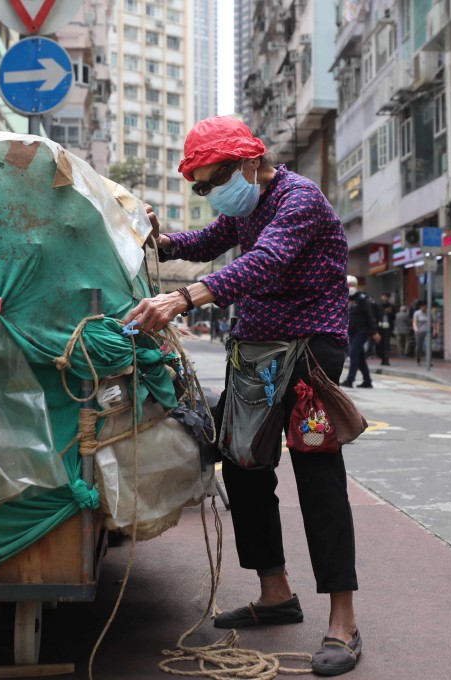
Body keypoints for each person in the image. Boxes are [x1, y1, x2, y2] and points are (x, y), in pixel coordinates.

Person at [124, 116, 361, 676]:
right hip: (254, 354)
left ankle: (343, 622)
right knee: (244, 466)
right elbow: (206, 241)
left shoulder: (298, 199)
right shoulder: (247, 207)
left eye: (215, 180)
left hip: (308, 356)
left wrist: (184, 298)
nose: (211, 194)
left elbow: (266, 260)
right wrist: (155, 239)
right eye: (201, 187)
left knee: (317, 479)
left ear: (251, 161)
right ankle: (275, 593)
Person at [341, 276, 379, 388]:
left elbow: (370, 316)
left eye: (352, 285)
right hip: (351, 331)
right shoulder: (345, 298)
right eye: (348, 285)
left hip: (362, 331)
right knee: (360, 356)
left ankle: (350, 380)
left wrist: (374, 331)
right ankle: (367, 381)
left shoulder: (362, 299)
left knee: (352, 353)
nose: (350, 287)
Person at [376, 293, 396, 365]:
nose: (385, 298)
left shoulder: (391, 307)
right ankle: (382, 358)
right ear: (381, 297)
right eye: (384, 296)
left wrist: (390, 313)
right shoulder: (378, 306)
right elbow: (375, 315)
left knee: (386, 344)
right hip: (380, 327)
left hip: (388, 327)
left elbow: (394, 317)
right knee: (380, 344)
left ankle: (386, 360)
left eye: (387, 297)